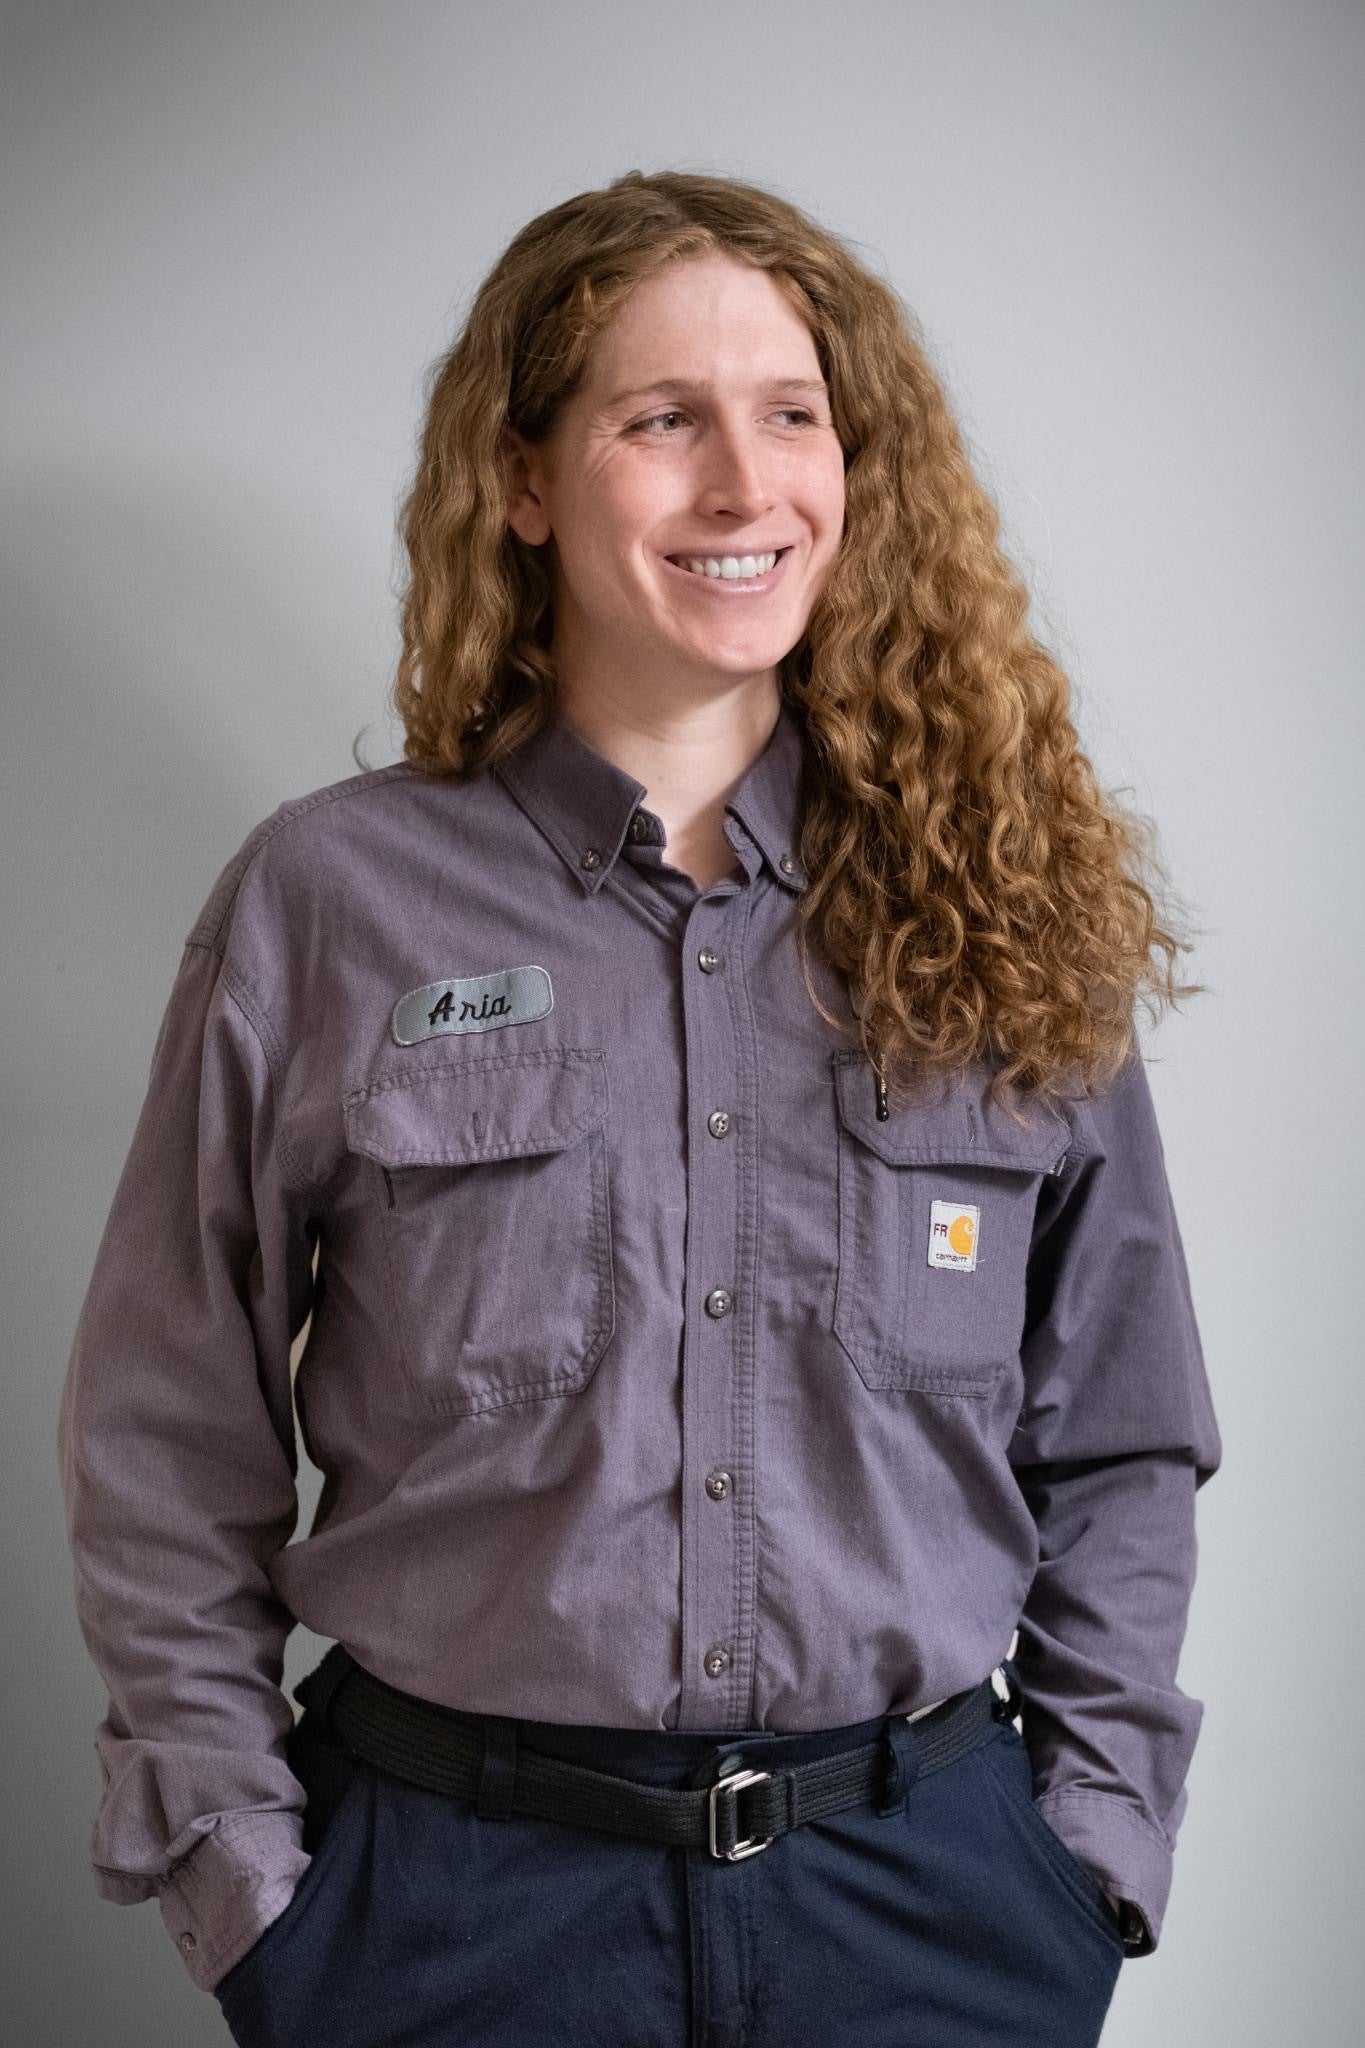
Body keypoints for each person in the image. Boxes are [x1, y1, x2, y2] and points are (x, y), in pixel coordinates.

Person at [56, 168, 1223, 2048]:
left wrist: (1085, 1850)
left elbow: (1123, 1432)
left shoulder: (998, 902)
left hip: (927, 1912)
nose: (744, 486)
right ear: (523, 480)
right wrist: (250, 1886)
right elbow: (161, 1425)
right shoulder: (328, 902)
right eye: (662, 419)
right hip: (447, 1920)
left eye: (792, 416)